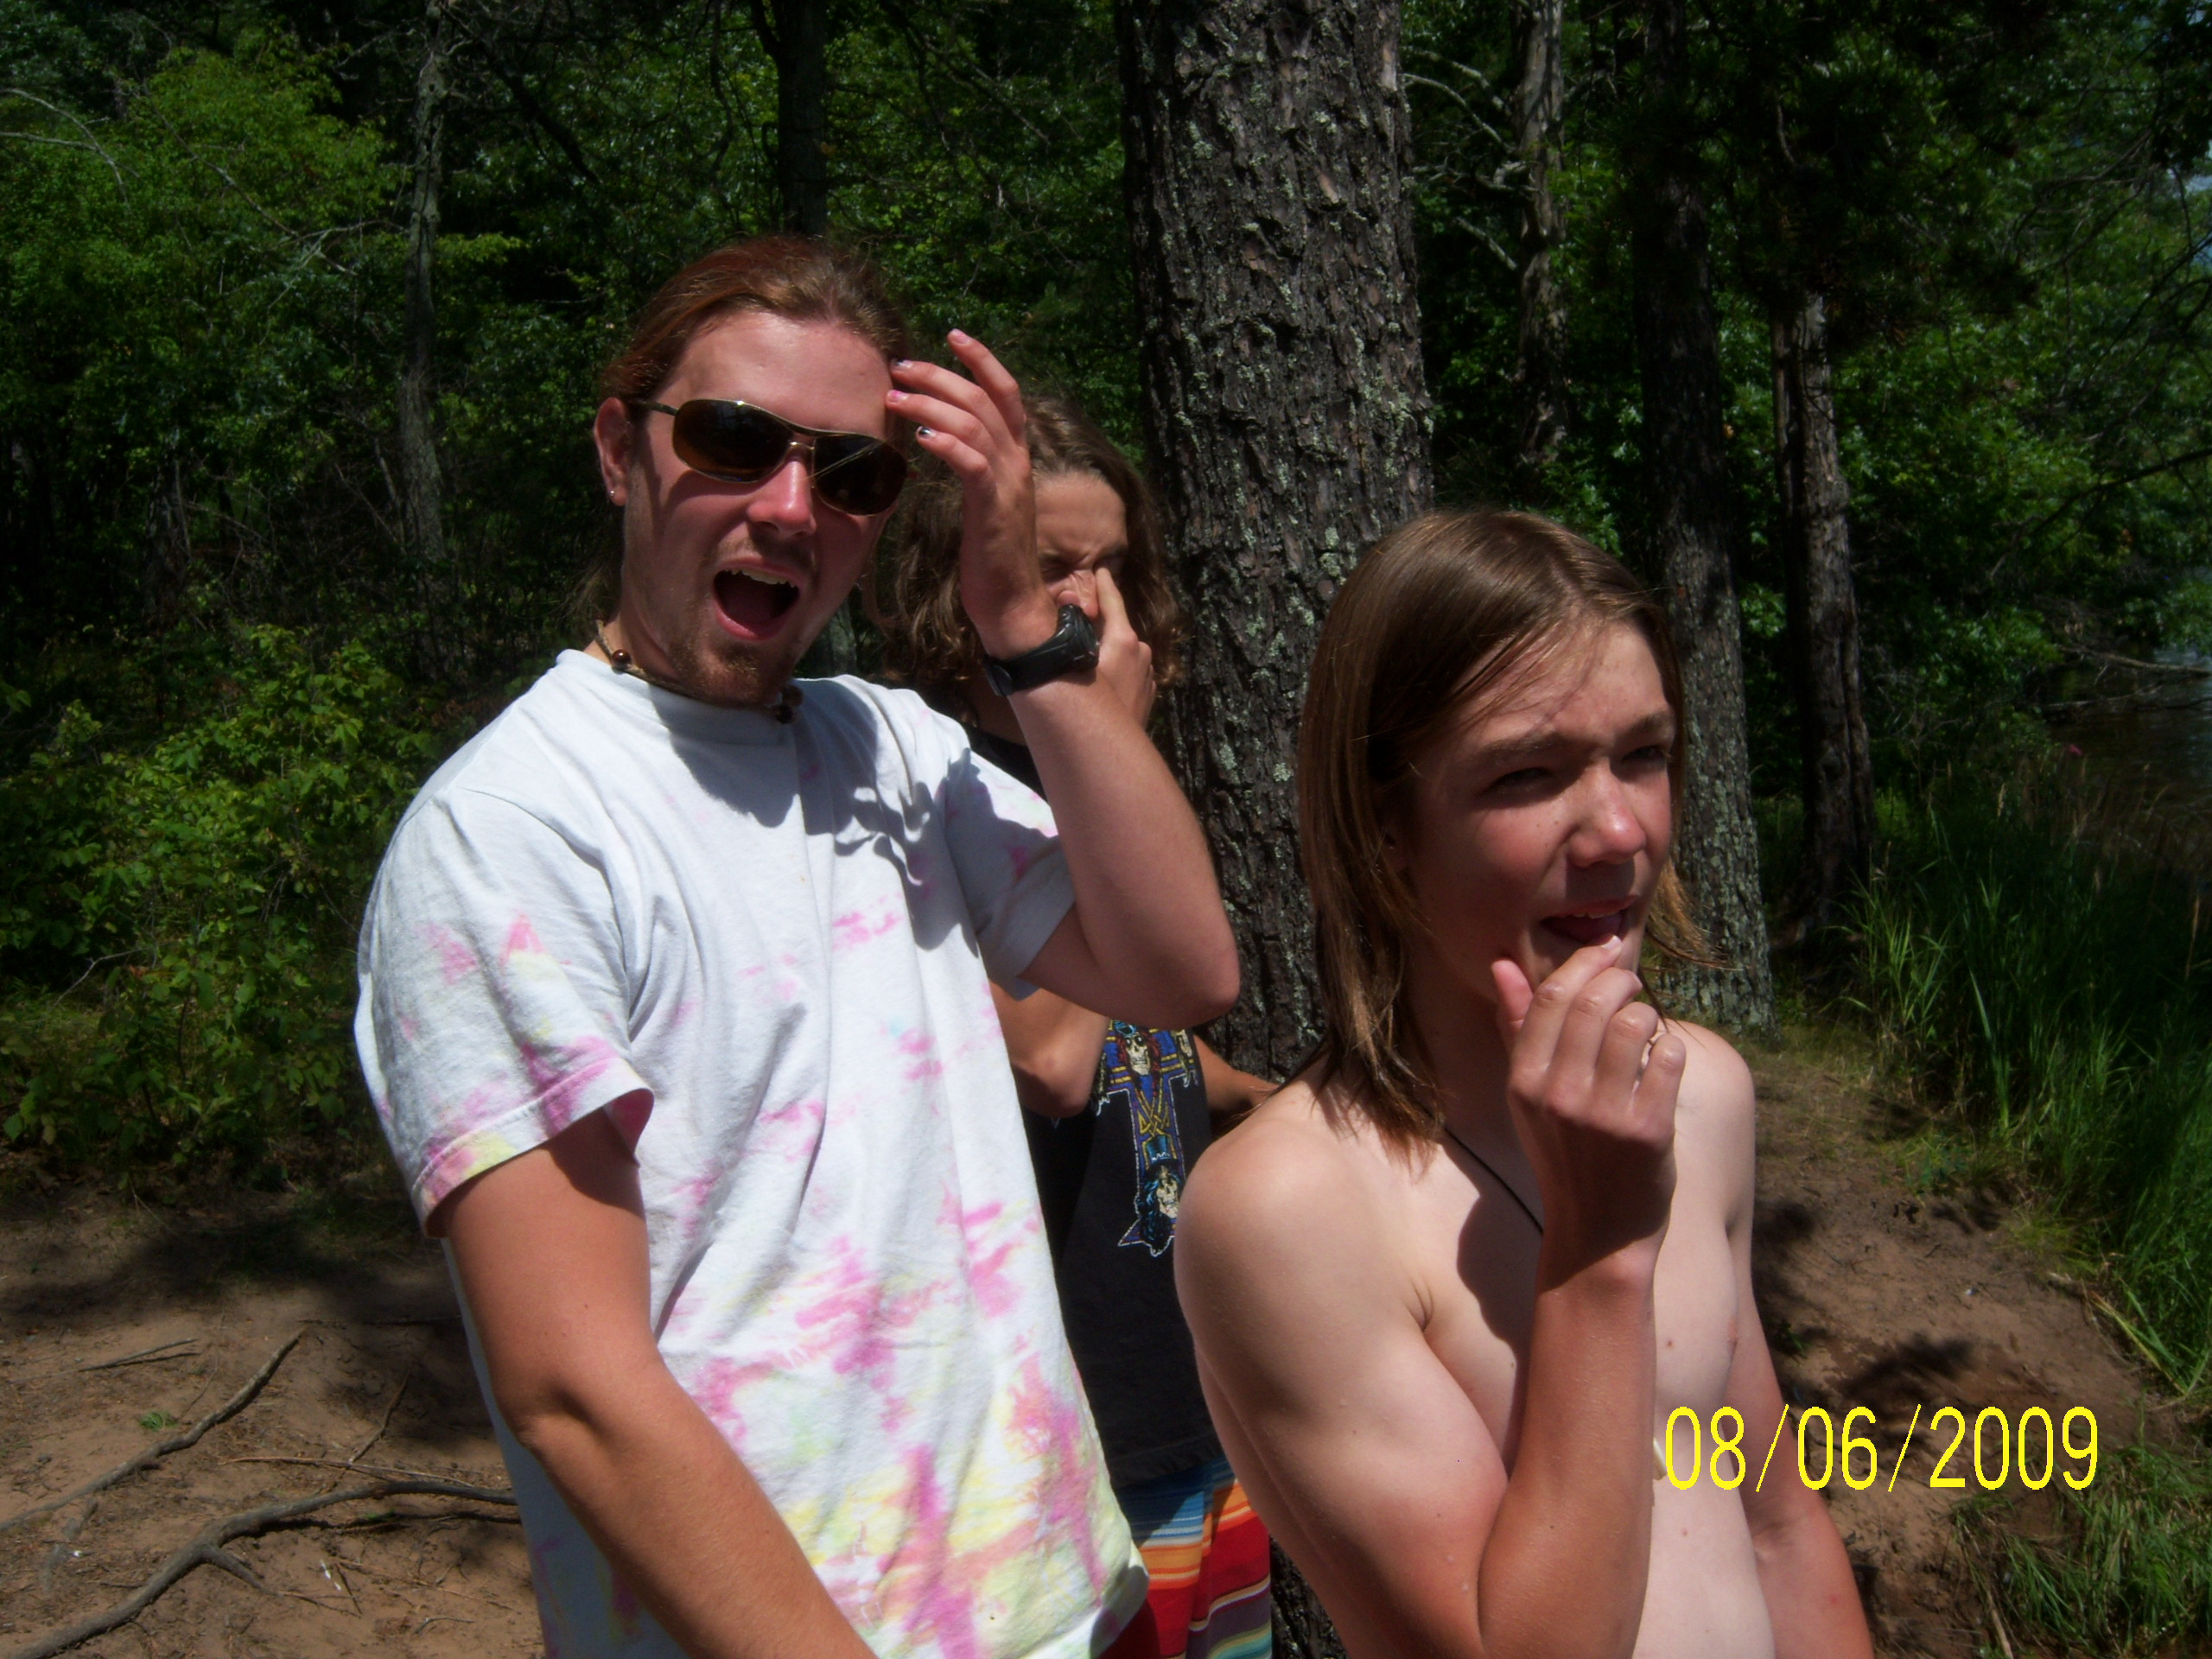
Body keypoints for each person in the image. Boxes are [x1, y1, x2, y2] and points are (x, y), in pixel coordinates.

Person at [353, 237, 1241, 1659]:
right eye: (731, 439)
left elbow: (1180, 971)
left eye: (852, 473)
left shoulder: (891, 744)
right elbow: (573, 1385)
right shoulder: (511, 831)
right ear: (619, 451)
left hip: (1071, 1598)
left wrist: (1026, 628)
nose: (788, 506)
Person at [1173, 510, 1874, 1659]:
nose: (1618, 832)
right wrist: (1600, 1252)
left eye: (1644, 754)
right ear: (1384, 822)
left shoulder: (1699, 1094)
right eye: (1529, 773)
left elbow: (1775, 1525)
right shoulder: (1290, 1208)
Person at [880, 391, 1274, 1659]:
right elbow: (1052, 1058)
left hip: (1195, 1384)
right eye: (1056, 564)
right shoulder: (927, 791)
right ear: (961, 580)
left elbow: (1144, 1027)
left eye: (1113, 565)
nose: (1095, 601)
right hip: (1068, 1424)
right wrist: (1104, 734)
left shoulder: (1099, 791)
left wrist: (1251, 1095)